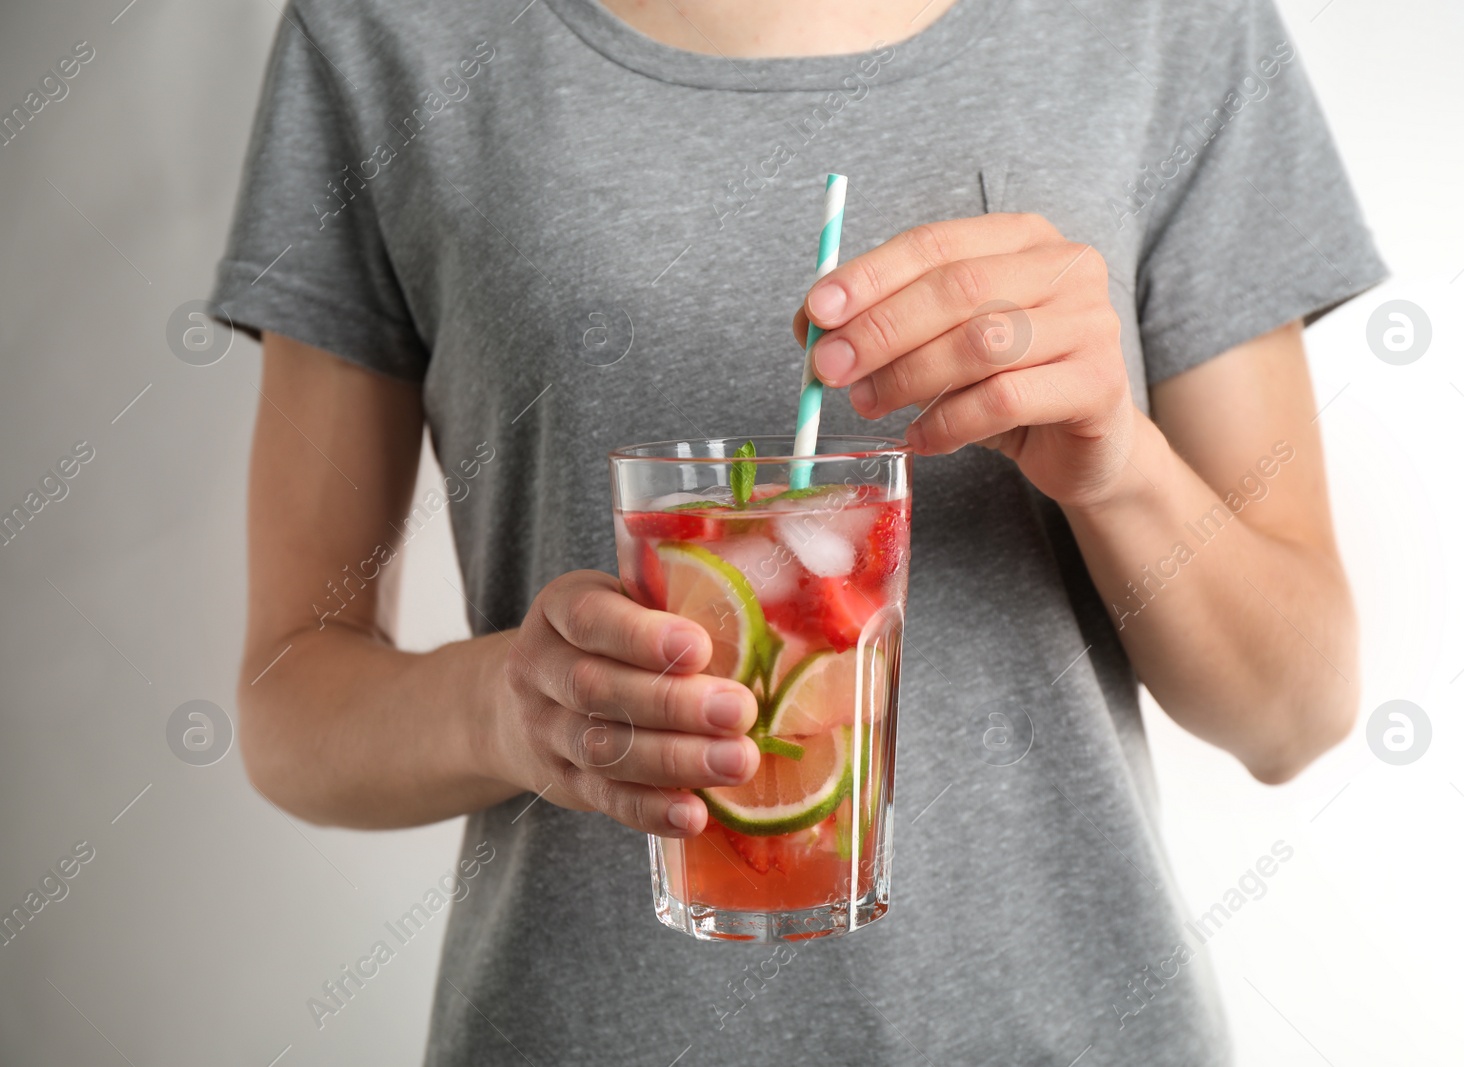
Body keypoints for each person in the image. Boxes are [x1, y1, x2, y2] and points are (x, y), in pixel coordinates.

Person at [212, 0, 1383, 1061]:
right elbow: (289, 701)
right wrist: (513, 709)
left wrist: (1120, 464)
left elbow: (1294, 708)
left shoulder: (1171, 26)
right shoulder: (389, 33)